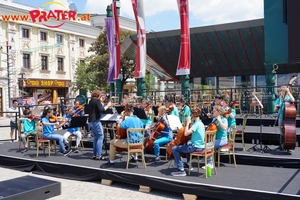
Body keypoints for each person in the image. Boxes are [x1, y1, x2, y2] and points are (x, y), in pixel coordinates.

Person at [171, 107, 205, 176]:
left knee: (174, 149)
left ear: (193, 115)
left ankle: (181, 170)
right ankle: (188, 164)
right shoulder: (201, 123)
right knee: (187, 143)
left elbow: (186, 133)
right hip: (201, 146)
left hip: (196, 147)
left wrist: (187, 123)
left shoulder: (196, 124)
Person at [88, 90, 111, 160]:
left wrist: (101, 102)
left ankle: (95, 154)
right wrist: (108, 105)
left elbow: (98, 108)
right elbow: (101, 110)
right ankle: (98, 155)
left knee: (96, 137)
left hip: (91, 120)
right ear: (98, 95)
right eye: (100, 95)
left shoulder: (91, 101)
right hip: (96, 120)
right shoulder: (97, 101)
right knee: (100, 136)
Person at [203, 105, 228, 169]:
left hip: (222, 140)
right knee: (205, 144)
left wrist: (220, 121)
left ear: (218, 112)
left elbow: (225, 128)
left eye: (214, 111)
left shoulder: (224, 119)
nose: (212, 112)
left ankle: (210, 163)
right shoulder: (214, 119)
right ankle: (206, 158)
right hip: (215, 139)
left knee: (208, 145)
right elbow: (211, 127)